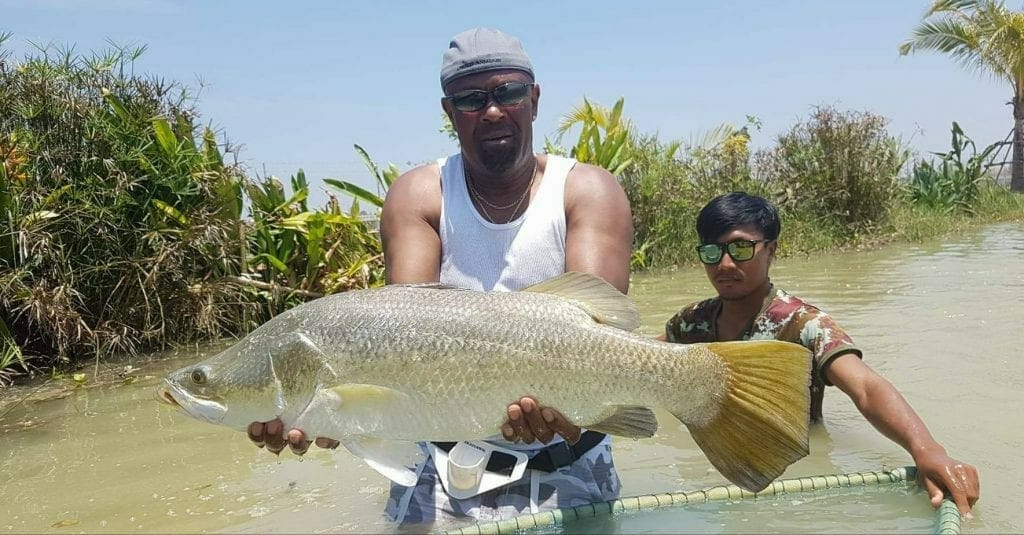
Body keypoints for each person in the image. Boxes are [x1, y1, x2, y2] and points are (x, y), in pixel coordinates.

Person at [247, 27, 633, 524]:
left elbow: (601, 330)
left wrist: (569, 405)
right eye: (470, 99)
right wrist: (330, 413)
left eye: (508, 93)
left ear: (533, 100)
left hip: (569, 450)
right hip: (448, 461)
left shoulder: (587, 189)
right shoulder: (419, 194)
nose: (492, 110)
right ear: (449, 113)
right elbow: (409, 329)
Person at [659, 191, 981, 517]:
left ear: (771, 250)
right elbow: (640, 357)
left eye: (741, 248)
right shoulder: (690, 323)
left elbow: (866, 387)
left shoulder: (805, 325)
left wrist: (926, 450)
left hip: (791, 479)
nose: (725, 264)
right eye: (712, 251)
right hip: (715, 472)